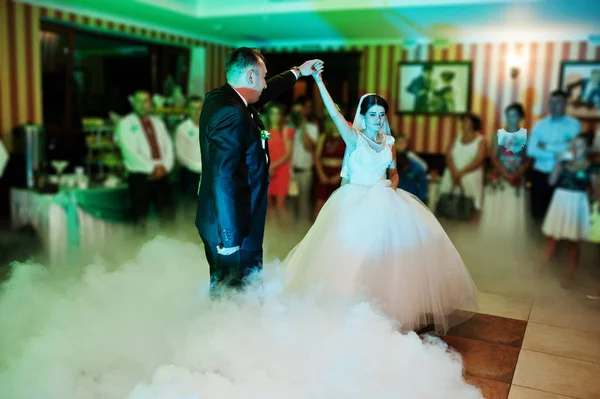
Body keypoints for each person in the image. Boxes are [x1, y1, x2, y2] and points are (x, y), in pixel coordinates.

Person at [284, 64, 478, 334]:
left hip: (385, 199)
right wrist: (317, 80)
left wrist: (391, 186)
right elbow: (333, 112)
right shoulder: (354, 139)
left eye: (382, 114)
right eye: (373, 114)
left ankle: (384, 310)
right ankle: (349, 308)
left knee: (389, 258)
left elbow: (394, 173)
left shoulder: (389, 142)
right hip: (356, 201)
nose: (378, 118)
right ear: (363, 116)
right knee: (354, 257)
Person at [196, 47, 321, 293]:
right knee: (236, 294)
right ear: (251, 78)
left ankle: (233, 328)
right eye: (263, 76)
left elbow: (268, 92)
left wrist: (298, 72)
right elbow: (224, 176)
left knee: (234, 290)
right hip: (232, 227)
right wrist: (230, 239)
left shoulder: (221, 99)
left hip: (231, 218)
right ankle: (230, 331)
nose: (265, 84)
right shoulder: (232, 113)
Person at [541, 133, 598, 283]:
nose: (574, 149)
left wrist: (595, 202)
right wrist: (558, 163)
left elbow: (596, 190)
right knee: (551, 237)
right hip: (560, 199)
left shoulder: (591, 167)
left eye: (579, 146)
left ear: (587, 149)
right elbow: (551, 181)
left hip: (578, 203)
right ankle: (541, 270)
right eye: (573, 145)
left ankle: (570, 275)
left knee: (573, 242)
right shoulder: (564, 163)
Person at [115, 90, 175, 230]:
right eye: (139, 101)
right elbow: (130, 152)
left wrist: (164, 167)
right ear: (133, 103)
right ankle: (138, 249)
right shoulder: (126, 124)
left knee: (168, 218)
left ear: (150, 103)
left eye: (146, 101)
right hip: (140, 177)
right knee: (139, 219)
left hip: (162, 176)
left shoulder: (158, 122)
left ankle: (169, 248)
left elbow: (168, 147)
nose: (143, 105)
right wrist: (153, 168)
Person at [527, 90, 581, 221]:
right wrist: (559, 151)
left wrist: (546, 146)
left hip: (563, 175)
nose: (553, 105)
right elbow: (531, 150)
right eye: (551, 102)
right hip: (540, 174)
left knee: (559, 216)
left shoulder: (574, 125)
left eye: (558, 102)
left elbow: (574, 152)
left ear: (565, 104)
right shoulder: (539, 125)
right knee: (538, 214)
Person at [483, 103, 531, 232]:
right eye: (508, 116)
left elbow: (528, 159)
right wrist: (504, 173)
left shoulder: (527, 136)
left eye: (514, 116)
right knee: (498, 206)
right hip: (499, 176)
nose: (511, 119)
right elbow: (493, 157)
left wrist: (516, 174)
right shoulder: (498, 134)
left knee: (512, 207)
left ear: (521, 117)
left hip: (517, 177)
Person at [437, 113, 487, 217]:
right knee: (447, 187)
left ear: (474, 124)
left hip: (470, 174)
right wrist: (454, 172)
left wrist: (460, 173)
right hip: (452, 172)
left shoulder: (481, 141)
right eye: (463, 121)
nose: (463, 124)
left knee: (469, 185)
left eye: (467, 122)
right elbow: (448, 156)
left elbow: (479, 160)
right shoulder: (456, 139)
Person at [264, 102, 295, 220]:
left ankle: (287, 232)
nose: (275, 116)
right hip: (268, 170)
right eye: (272, 114)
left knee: (280, 205)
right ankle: (275, 233)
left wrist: (272, 166)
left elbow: (287, 154)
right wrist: (268, 167)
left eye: (277, 114)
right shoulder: (265, 131)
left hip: (281, 170)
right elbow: (263, 150)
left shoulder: (286, 130)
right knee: (269, 205)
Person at [314, 112, 346, 219]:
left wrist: (339, 176)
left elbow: (349, 161)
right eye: (329, 121)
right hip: (324, 172)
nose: (331, 123)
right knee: (320, 205)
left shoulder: (345, 137)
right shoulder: (324, 137)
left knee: (337, 206)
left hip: (339, 173)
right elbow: (317, 157)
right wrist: (321, 174)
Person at [174, 96, 203, 205]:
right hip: (191, 173)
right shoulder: (182, 129)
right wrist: (199, 167)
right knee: (193, 207)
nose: (197, 111)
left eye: (199, 108)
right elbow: (180, 155)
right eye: (193, 108)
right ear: (188, 110)